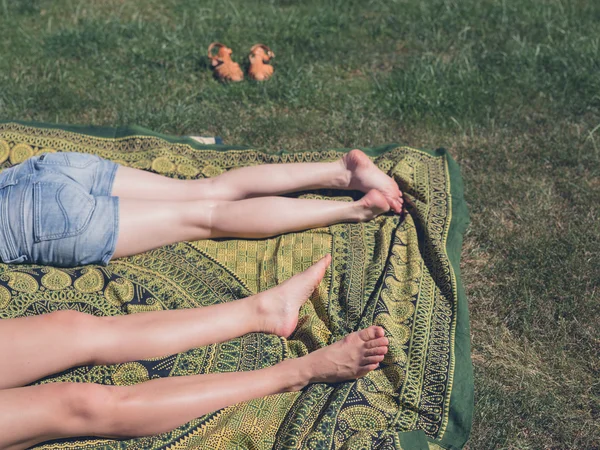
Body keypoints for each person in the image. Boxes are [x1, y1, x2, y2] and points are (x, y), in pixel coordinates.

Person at [0, 148, 400, 448]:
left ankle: (281, 332)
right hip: (37, 173)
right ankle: (288, 351)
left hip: (35, 213)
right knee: (77, 363)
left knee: (79, 371)